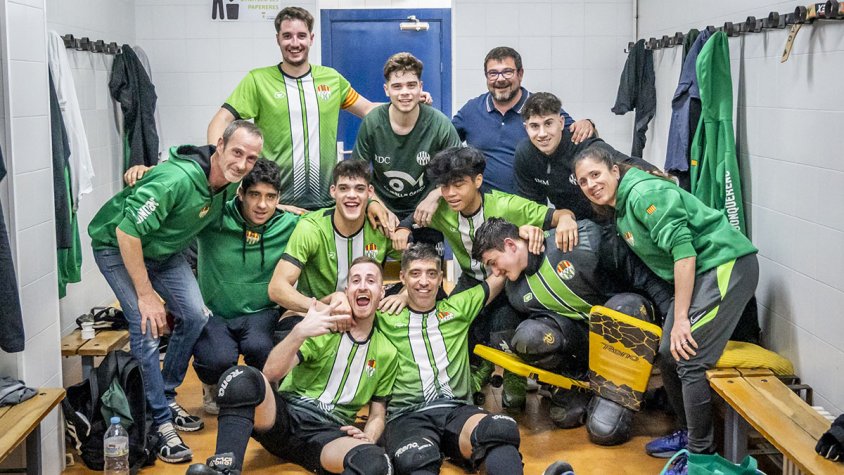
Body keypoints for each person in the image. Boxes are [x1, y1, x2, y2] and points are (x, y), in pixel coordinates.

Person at [88, 120, 264, 463]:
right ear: (219, 147)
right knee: (147, 324)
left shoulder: (227, 184)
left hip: (164, 252)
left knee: (196, 315)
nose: (242, 164)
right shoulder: (177, 180)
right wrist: (146, 294)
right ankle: (158, 422)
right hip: (117, 246)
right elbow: (127, 233)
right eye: (237, 153)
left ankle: (164, 395)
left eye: (251, 159)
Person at [573, 145, 759, 462]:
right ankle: (688, 433)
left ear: (614, 170)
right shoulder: (622, 208)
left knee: (689, 357)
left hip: (725, 264)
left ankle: (701, 455)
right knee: (667, 354)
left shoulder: (644, 193)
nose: (591, 184)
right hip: (701, 273)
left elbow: (684, 253)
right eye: (583, 181)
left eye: (596, 174)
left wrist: (682, 318)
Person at [391, 146, 578, 410]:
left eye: (458, 185)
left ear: (478, 181)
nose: (451, 193)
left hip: (509, 281)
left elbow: (557, 216)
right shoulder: (442, 206)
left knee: (503, 326)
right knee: (449, 320)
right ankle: (470, 374)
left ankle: (515, 375)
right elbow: (412, 219)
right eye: (444, 187)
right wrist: (403, 227)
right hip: (471, 277)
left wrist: (568, 219)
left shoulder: (505, 204)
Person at [187, 257, 399, 474]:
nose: (362, 286)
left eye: (370, 280)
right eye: (356, 280)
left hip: (329, 434)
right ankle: (225, 469)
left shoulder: (387, 352)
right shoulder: (324, 326)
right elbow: (270, 373)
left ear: (382, 292)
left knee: (376, 463)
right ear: (347, 290)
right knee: (239, 378)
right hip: (285, 419)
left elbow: (377, 414)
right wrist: (299, 332)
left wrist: (370, 437)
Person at [472, 217, 672, 444]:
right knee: (529, 336)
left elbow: (641, 274)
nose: (495, 272)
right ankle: (580, 390)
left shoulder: (577, 241)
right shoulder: (516, 293)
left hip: (631, 321)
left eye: (494, 262)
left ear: (510, 245)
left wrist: (671, 320)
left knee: (624, 309)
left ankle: (617, 393)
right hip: (585, 348)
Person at [376, 243, 526, 475]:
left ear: (440, 278)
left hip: (456, 410)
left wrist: (525, 237)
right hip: (408, 415)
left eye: (431, 274)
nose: (424, 282)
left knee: (500, 430)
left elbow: (500, 274)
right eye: (415, 274)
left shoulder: (457, 308)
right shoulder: (383, 316)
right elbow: (348, 306)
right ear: (402, 277)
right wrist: (400, 296)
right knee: (415, 460)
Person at [191, 159, 300, 415]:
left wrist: (373, 204)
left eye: (271, 197)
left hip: (262, 312)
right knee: (215, 359)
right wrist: (146, 171)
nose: (262, 205)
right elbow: (183, 200)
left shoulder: (291, 223)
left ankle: (261, 388)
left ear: (279, 198)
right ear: (240, 193)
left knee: (262, 349)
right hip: (216, 313)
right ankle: (211, 384)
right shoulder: (214, 217)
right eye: (254, 195)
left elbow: (331, 217)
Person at [452, 46, 596, 194]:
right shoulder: (471, 110)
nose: (500, 79)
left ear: (520, 74)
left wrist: (587, 123)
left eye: (507, 72)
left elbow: (577, 136)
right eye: (493, 73)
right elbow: (441, 138)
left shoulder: (540, 108)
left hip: (529, 207)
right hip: (483, 205)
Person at [352, 52, 461, 245]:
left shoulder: (439, 124)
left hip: (425, 212)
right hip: (382, 210)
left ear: (420, 87)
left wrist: (437, 194)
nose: (405, 92)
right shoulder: (373, 122)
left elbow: (459, 171)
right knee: (368, 271)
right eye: (397, 86)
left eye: (411, 85)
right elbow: (355, 174)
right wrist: (373, 201)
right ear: (387, 90)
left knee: (426, 271)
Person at [268, 159, 401, 316]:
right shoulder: (312, 228)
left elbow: (419, 266)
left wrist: (404, 296)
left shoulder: (380, 226)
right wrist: (326, 310)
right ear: (333, 191)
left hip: (366, 313)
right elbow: (277, 288)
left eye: (359, 189)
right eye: (344, 188)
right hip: (318, 313)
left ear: (370, 192)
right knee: (288, 327)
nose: (352, 195)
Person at [514, 91, 658, 220]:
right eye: (534, 126)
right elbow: (532, 206)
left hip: (611, 219)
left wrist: (664, 187)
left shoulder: (583, 144)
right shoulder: (525, 154)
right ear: (526, 127)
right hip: (572, 223)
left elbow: (636, 168)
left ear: (561, 122)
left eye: (548, 123)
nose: (542, 133)